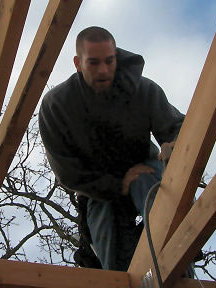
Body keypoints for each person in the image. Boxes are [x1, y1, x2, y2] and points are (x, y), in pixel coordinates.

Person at [38, 26, 184, 271]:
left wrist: (175, 145)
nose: (104, 70)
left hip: (144, 167)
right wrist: (118, 184)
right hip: (98, 188)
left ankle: (178, 259)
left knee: (155, 192)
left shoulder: (143, 89)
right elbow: (68, 173)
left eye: (109, 61)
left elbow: (177, 127)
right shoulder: (57, 105)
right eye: (94, 63)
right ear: (78, 63)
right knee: (106, 230)